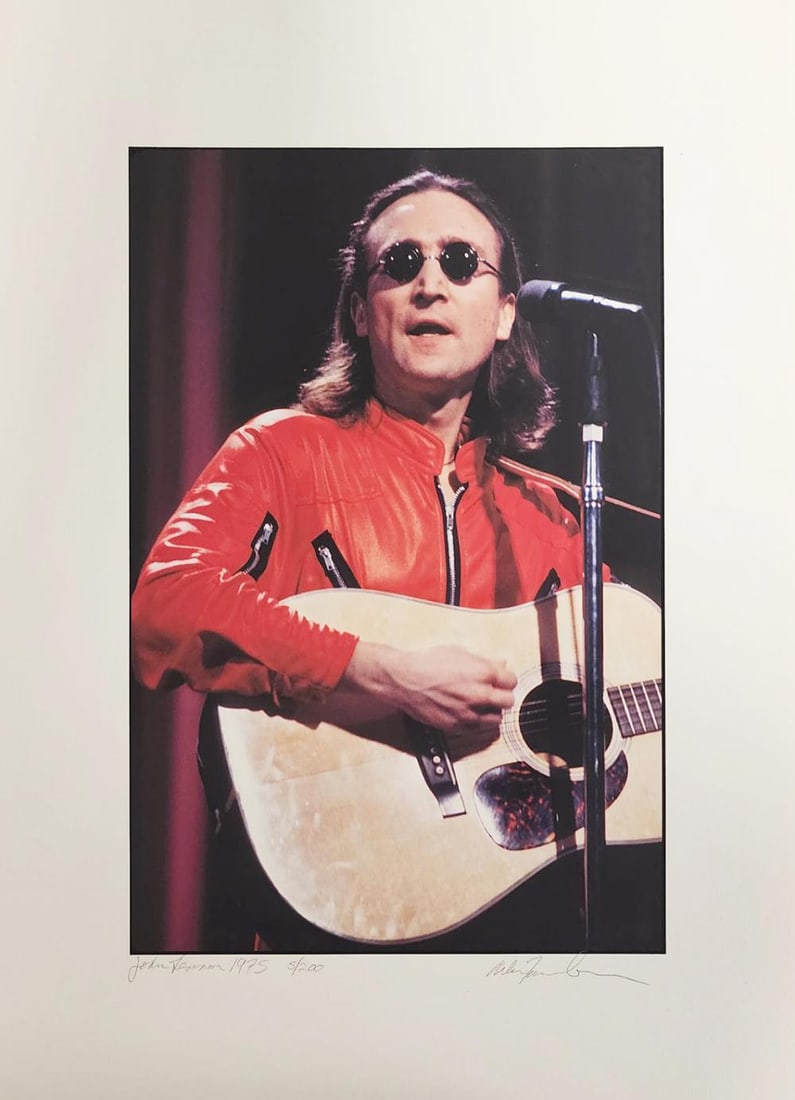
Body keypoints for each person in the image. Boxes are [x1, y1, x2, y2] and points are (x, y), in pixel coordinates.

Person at [132, 168, 641, 952]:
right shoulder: (280, 452)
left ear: (505, 314)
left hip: (515, 929)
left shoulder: (559, 515)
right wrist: (375, 671)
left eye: (461, 263)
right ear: (362, 315)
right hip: (330, 908)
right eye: (401, 264)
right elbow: (167, 605)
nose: (430, 284)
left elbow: (626, 707)